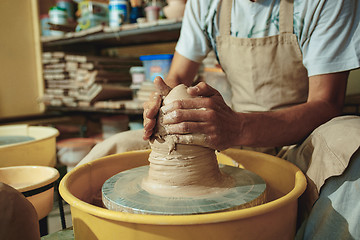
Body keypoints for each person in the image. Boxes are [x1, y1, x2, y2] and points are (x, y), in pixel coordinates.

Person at [78, 0, 360, 238]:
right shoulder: (207, 3)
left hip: (302, 140)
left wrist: (239, 127)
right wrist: (160, 102)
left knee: (354, 145)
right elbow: (175, 79)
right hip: (228, 137)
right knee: (111, 148)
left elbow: (326, 104)